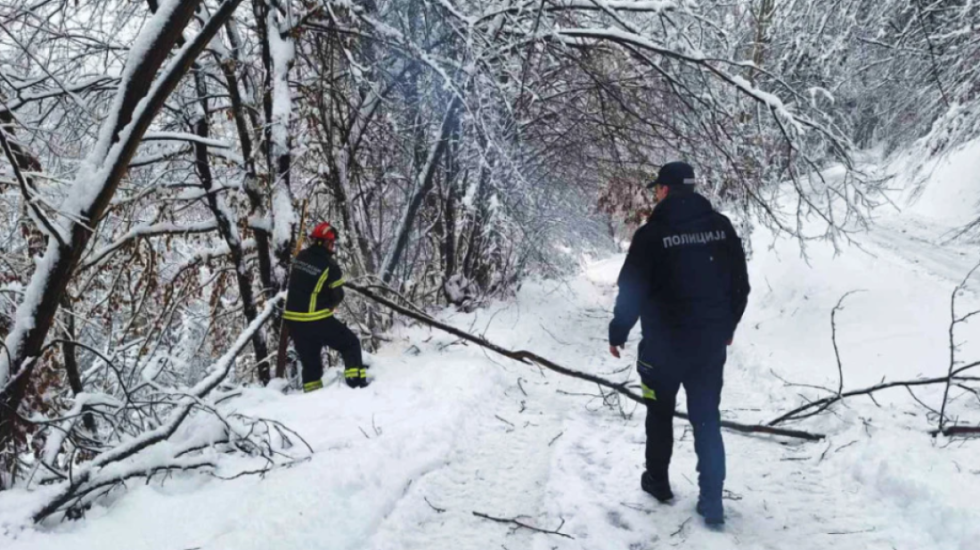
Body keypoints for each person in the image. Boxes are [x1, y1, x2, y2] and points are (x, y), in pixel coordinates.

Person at [608, 161, 749, 526]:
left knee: (658, 415)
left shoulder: (651, 235)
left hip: (661, 350)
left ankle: (657, 482)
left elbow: (632, 291)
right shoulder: (721, 228)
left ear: (666, 190)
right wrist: (728, 325)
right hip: (708, 348)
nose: (655, 193)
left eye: (658, 188)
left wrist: (618, 331)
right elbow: (740, 285)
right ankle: (712, 500)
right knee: (707, 420)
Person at [284, 222, 368, 392]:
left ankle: (312, 397)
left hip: (293, 322)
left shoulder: (300, 257)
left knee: (312, 365)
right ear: (325, 243)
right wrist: (330, 306)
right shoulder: (330, 266)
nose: (333, 246)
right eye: (332, 243)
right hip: (315, 320)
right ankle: (356, 384)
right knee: (350, 344)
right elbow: (338, 295)